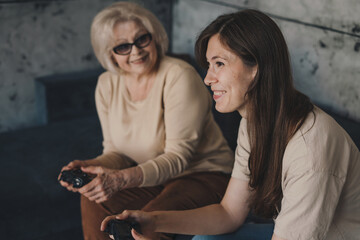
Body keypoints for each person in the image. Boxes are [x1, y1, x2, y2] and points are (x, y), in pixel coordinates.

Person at [101, 9, 360, 240]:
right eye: (209, 65)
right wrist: (155, 221)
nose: (208, 78)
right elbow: (228, 213)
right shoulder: (253, 122)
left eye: (220, 64)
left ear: (256, 67)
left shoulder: (311, 147)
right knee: (204, 238)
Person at [58, 2, 235, 240]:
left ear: (155, 37)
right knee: (95, 197)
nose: (136, 51)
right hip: (150, 176)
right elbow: (116, 152)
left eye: (142, 39)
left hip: (202, 175)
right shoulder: (106, 85)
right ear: (109, 53)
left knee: (142, 223)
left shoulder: (179, 76)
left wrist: (120, 179)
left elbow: (178, 158)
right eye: (122, 46)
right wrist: (90, 166)